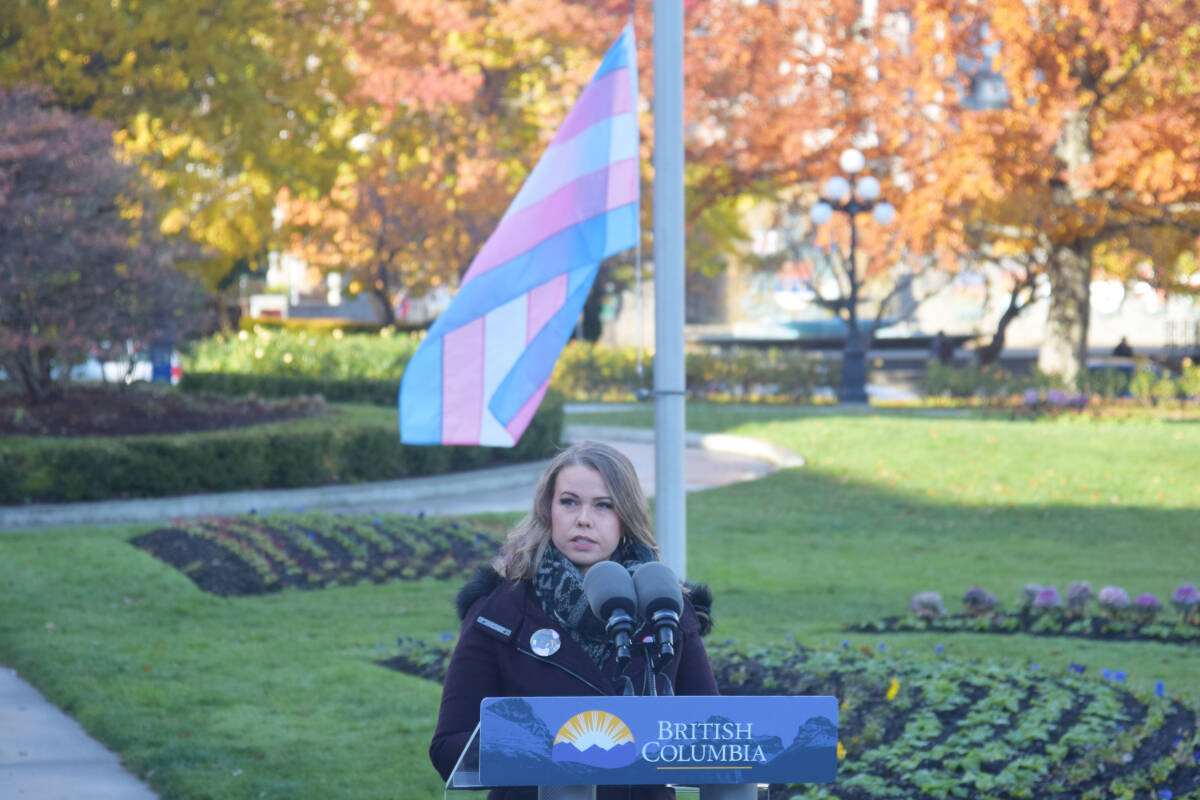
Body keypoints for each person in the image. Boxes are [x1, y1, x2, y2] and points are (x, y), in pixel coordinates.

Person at [429, 442, 718, 800]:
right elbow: (449, 746)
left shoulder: (666, 610)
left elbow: (714, 739)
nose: (583, 518)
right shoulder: (499, 614)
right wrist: (554, 748)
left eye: (603, 505)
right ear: (548, 510)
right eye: (569, 502)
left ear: (625, 516)